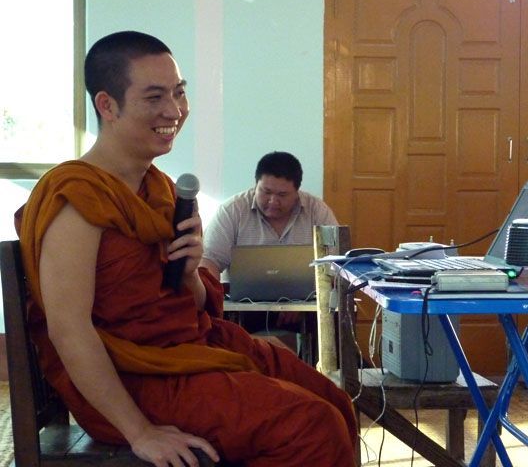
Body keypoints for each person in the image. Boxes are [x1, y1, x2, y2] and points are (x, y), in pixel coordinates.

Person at [17, 31, 356, 467]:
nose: (174, 111)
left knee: (335, 402)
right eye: (154, 97)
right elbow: (69, 330)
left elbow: (188, 306)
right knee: (312, 427)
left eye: (179, 92)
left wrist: (192, 270)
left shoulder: (161, 191)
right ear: (107, 105)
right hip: (136, 380)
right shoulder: (77, 199)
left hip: (186, 352)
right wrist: (139, 432)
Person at [201, 152, 337, 347]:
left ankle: (324, 366)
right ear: (256, 184)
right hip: (243, 308)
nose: (273, 201)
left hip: (306, 308)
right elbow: (209, 262)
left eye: (282, 195)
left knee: (333, 325)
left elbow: (334, 265)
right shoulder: (232, 211)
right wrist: (210, 302)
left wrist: (304, 302)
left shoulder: (317, 211)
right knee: (220, 331)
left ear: (297, 192)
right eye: (266, 192)